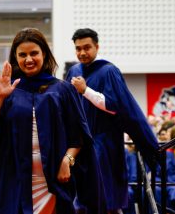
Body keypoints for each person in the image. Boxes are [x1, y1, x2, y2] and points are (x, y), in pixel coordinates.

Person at [0, 28, 105, 214]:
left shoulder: (63, 90)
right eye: (22, 54)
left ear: (44, 54)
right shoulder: (7, 90)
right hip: (14, 180)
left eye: (34, 53)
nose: (28, 59)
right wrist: (0, 98)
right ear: (15, 57)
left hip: (52, 181)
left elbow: (79, 137)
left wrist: (67, 160)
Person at [66, 28, 160, 213]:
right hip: (80, 144)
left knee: (106, 198)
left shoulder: (108, 71)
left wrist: (85, 90)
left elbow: (117, 106)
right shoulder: (74, 71)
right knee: (81, 201)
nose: (82, 53)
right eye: (78, 49)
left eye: (87, 47)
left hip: (104, 143)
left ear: (97, 46)